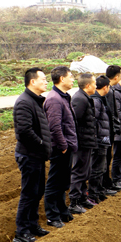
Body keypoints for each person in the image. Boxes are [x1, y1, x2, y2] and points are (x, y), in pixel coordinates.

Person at [12, 68, 52, 242]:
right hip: (29, 155)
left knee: (38, 191)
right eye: (43, 79)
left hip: (36, 155)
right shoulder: (24, 102)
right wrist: (42, 144)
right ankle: (21, 232)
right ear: (32, 82)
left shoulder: (35, 101)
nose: (46, 82)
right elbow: (24, 131)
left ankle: (33, 224)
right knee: (29, 193)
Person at [44, 66, 78, 224]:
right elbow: (54, 127)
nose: (73, 79)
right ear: (62, 79)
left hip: (67, 146)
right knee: (55, 182)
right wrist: (64, 146)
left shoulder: (63, 96)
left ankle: (63, 211)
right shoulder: (54, 99)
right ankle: (52, 215)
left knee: (64, 181)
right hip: (60, 148)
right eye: (70, 76)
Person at [69, 74, 98, 212]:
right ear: (88, 86)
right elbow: (74, 122)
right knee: (79, 171)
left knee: (85, 171)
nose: (96, 86)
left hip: (86, 141)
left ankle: (82, 197)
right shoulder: (80, 99)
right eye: (94, 83)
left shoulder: (85, 97)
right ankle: (74, 202)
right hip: (81, 142)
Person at [90, 76, 117, 201]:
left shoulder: (101, 99)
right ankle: (94, 193)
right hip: (99, 140)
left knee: (102, 167)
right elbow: (94, 123)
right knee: (97, 169)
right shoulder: (96, 101)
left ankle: (100, 190)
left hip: (104, 139)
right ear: (106, 87)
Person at [103, 65, 121, 190]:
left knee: (107, 158)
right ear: (117, 77)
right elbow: (111, 112)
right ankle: (104, 184)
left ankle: (106, 182)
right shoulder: (108, 91)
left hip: (108, 130)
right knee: (105, 159)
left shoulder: (111, 89)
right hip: (106, 131)